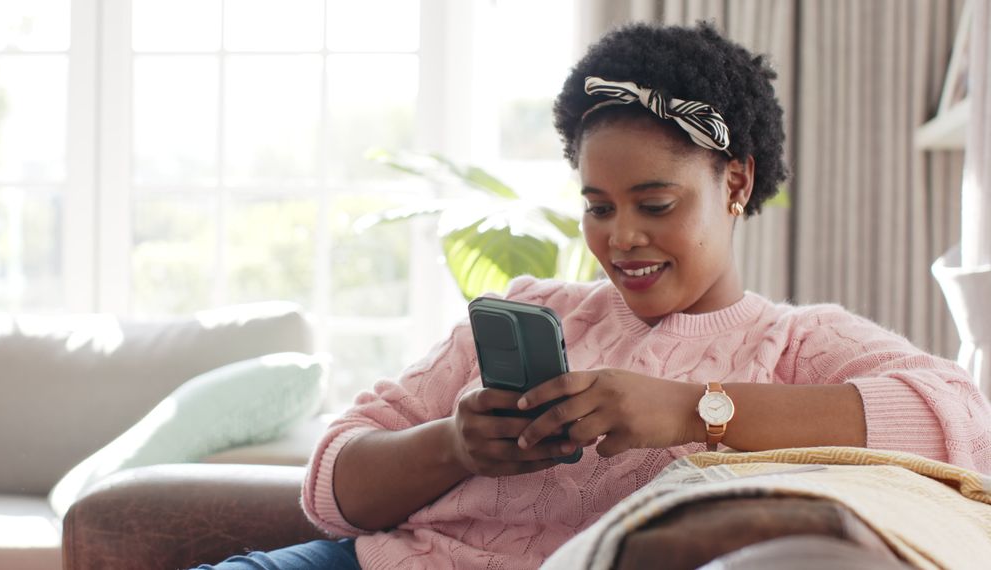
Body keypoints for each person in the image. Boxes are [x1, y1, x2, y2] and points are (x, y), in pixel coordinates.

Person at [195, 21, 991, 570]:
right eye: (598, 207)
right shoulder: (538, 306)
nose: (621, 238)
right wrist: (455, 446)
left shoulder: (795, 343)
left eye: (656, 204)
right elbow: (331, 484)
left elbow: (961, 423)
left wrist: (692, 409)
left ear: (736, 183)